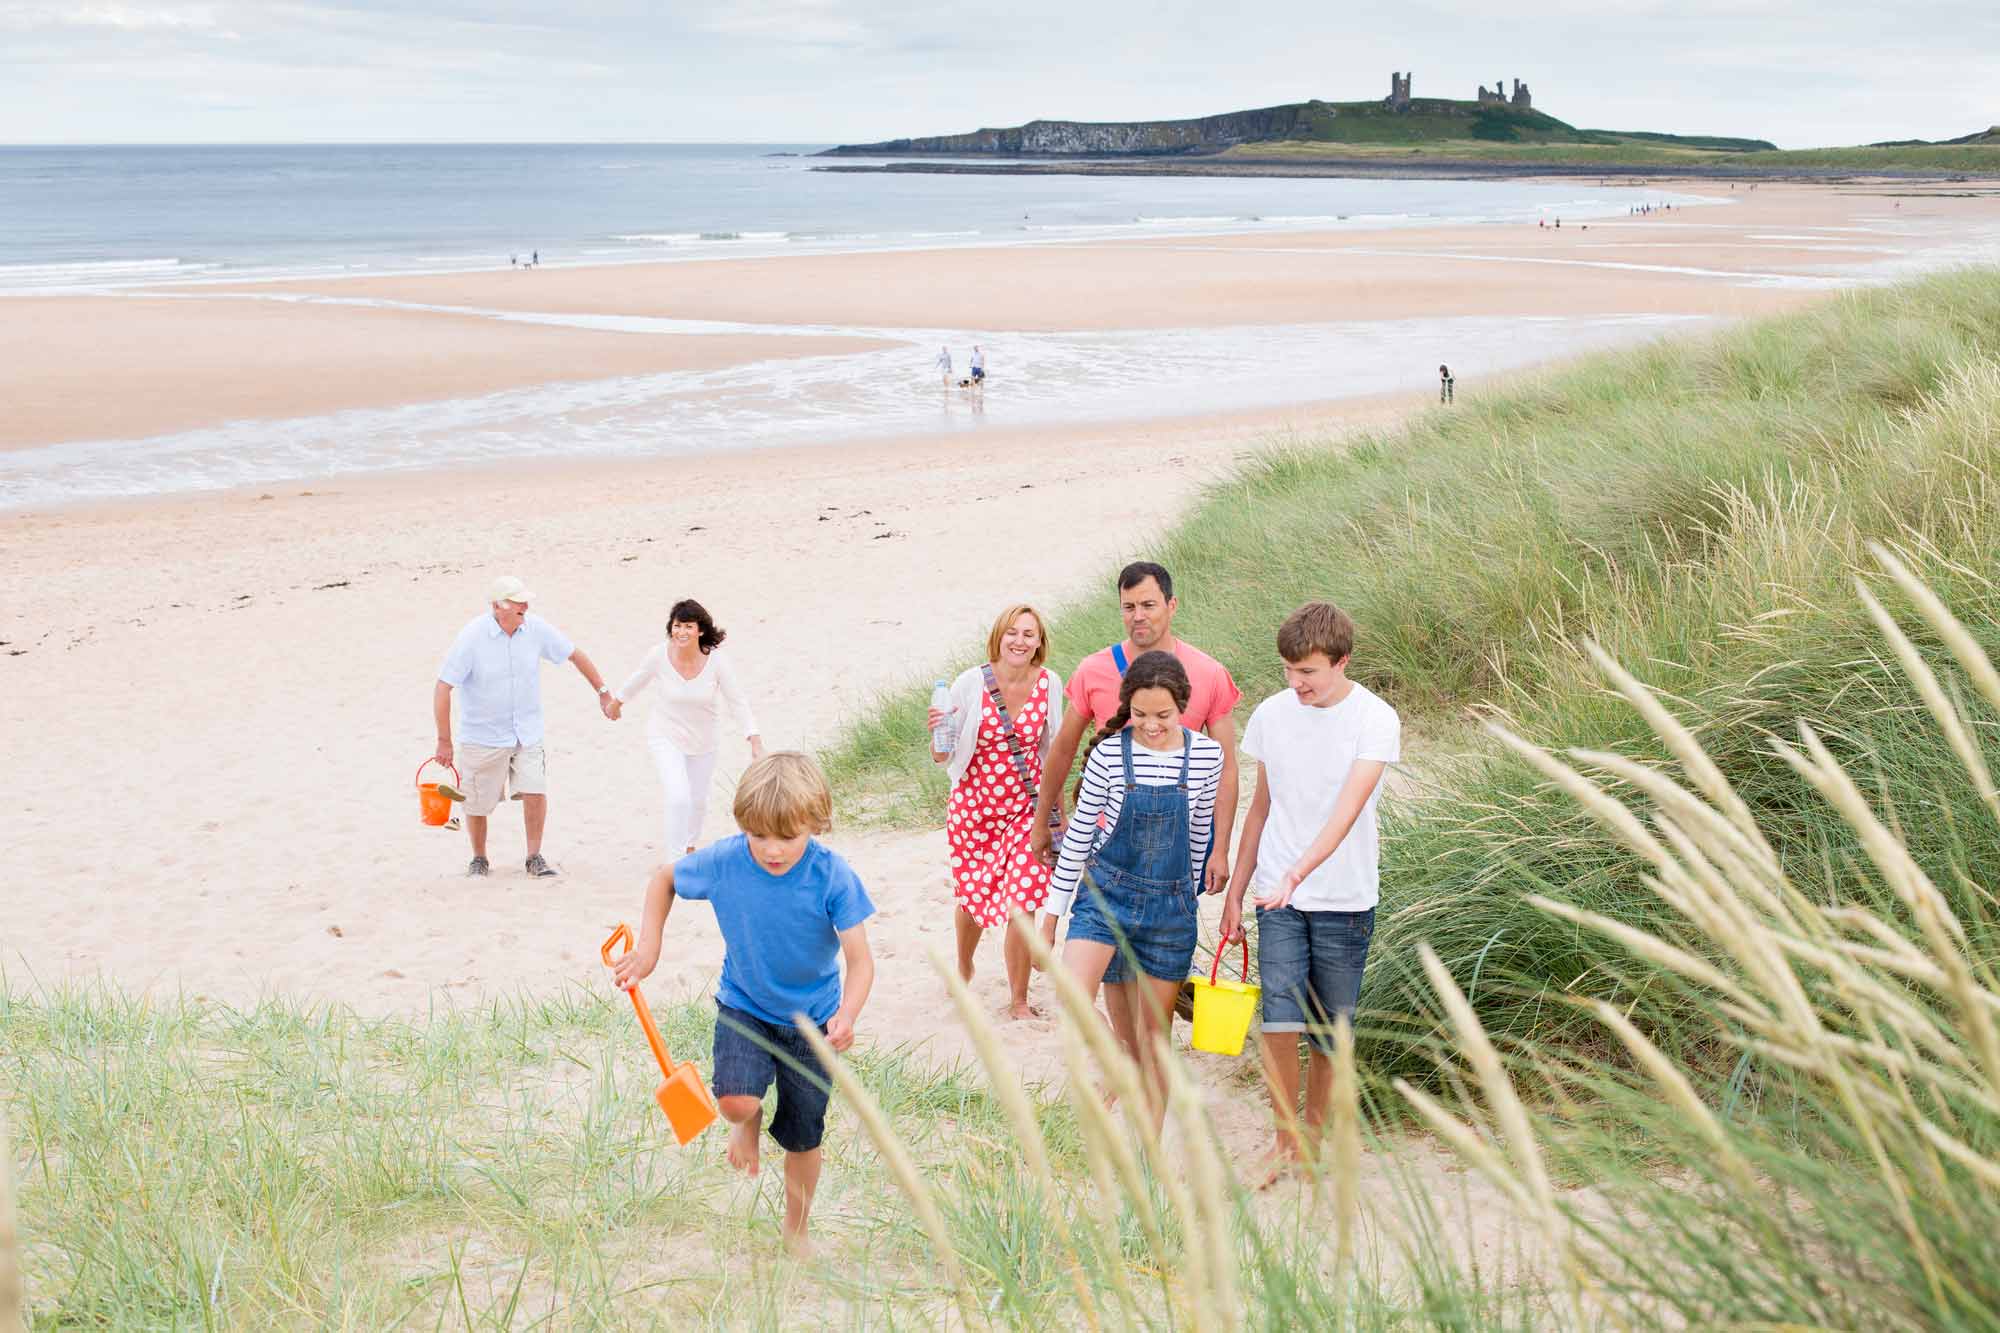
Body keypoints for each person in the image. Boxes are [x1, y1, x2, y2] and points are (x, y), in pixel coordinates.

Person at [611, 753, 875, 1257]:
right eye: (759, 836)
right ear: (743, 827)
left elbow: (861, 962)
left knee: (803, 1139)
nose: (772, 849)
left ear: (816, 826)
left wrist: (848, 1015)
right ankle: (746, 1122)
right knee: (735, 1101)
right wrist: (649, 948)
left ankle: (796, 1233)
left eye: (788, 837)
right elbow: (663, 879)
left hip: (812, 1022)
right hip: (745, 1006)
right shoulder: (727, 860)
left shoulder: (833, 876)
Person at [1221, 603, 1400, 1187]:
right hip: (1279, 894)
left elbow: (1348, 812)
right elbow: (1261, 807)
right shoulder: (1273, 715)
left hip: (1345, 895)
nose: (1295, 683)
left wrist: (1302, 870)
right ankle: (1282, 1141)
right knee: (1278, 1019)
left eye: (1309, 673)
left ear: (1341, 662)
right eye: (1288, 671)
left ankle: (1313, 1141)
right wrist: (1237, 892)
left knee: (1329, 1028)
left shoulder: (1375, 719)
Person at [1040, 651, 1223, 1125]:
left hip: (1170, 909)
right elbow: (1079, 835)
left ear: (1182, 705)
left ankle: (1148, 1159)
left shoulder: (1207, 756)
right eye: (1139, 714)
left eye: (1162, 715)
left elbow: (1199, 836)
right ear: (1128, 706)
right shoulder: (1108, 754)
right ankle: (1115, 1065)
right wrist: (1051, 916)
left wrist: (1189, 900)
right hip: (1106, 894)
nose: (1151, 725)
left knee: (1153, 1041)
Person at [1031, 560, 1240, 907]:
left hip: (1180, 842)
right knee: (1102, 935)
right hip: (1107, 837)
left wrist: (1220, 849)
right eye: (1128, 607)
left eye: (1148, 605)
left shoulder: (1210, 673)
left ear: (1171, 606)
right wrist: (1044, 821)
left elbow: (1227, 768)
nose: (1138, 616)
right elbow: (1063, 750)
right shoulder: (1093, 669)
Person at [928, 604, 1064, 1019]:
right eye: (1013, 633)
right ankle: (965, 964)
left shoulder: (1050, 683)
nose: (1020, 641)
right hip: (974, 810)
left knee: (1022, 902)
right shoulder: (971, 683)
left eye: (1029, 634)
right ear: (999, 637)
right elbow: (941, 754)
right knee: (972, 898)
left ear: (1040, 642)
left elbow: (1055, 750)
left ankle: (1018, 999)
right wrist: (937, 727)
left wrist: (1058, 815)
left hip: (1026, 809)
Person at [433, 575, 615, 878]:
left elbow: (574, 654)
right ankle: (479, 858)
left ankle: (534, 856)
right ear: (498, 606)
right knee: (477, 803)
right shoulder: (471, 637)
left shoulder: (535, 628)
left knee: (535, 791)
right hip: (483, 735)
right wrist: (444, 740)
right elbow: (442, 687)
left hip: (527, 731)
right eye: (518, 602)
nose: (525, 607)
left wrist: (603, 691)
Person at [610, 598, 764, 857]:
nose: (681, 632)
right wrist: (617, 702)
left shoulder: (716, 661)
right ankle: (675, 859)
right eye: (677, 625)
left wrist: (754, 738)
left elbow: (737, 701)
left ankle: (689, 846)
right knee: (678, 796)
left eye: (688, 626)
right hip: (665, 734)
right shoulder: (659, 654)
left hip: (704, 740)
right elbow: (639, 678)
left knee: (698, 801)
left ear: (700, 630)